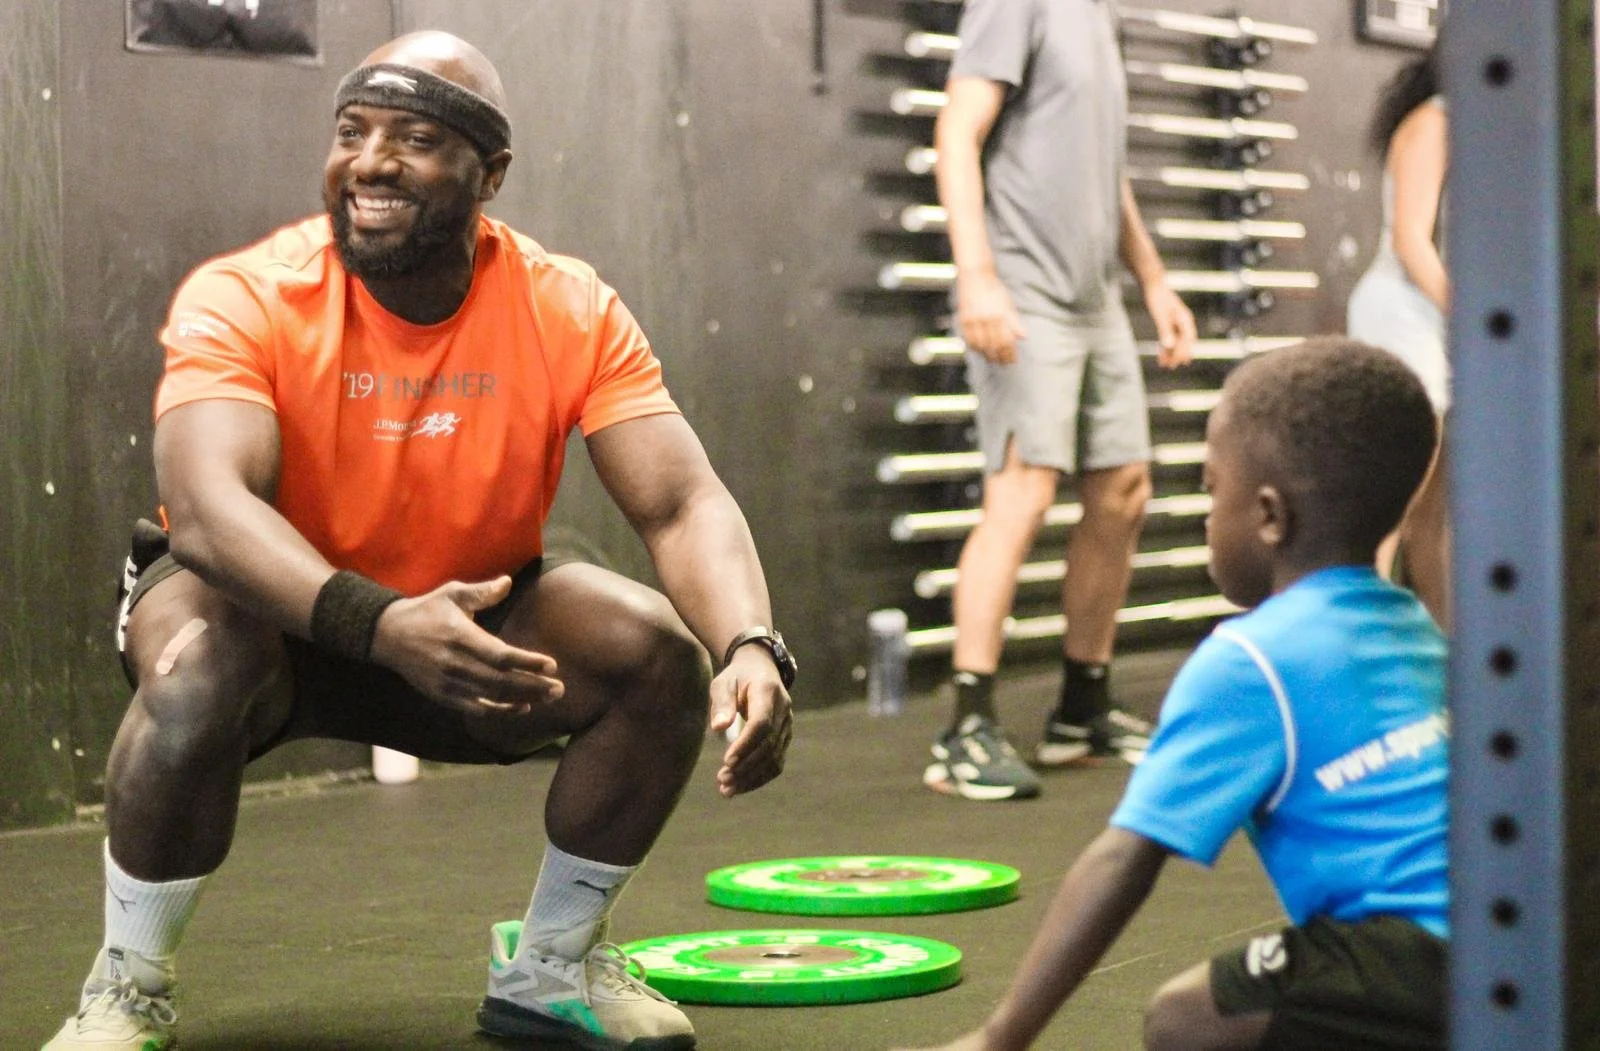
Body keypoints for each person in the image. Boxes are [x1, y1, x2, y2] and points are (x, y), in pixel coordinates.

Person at [44, 31, 795, 1051]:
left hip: (464, 613)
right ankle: (127, 984)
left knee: (654, 650)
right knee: (196, 661)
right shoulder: (251, 294)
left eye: (415, 138)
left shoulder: (564, 306)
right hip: (265, 617)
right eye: (352, 131)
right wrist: (378, 620)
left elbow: (679, 503)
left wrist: (750, 640)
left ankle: (550, 965)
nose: (371, 160)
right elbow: (210, 510)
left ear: (490, 175)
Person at [898, 338, 1448, 1051]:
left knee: (1187, 1016)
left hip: (1417, 963)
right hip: (1524, 939)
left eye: (1211, 487)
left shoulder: (1250, 659)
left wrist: (998, 1037)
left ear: (1270, 516)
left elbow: (1124, 860)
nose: (1205, 510)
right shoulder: (1421, 631)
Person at [925, 0, 1198, 801]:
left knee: (1124, 489)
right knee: (1024, 489)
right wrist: (977, 274)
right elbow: (956, 133)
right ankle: (966, 725)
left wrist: (1151, 278)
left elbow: (1101, 171)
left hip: (1095, 296)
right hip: (1024, 286)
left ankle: (1083, 704)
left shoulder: (1096, 15)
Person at [1347, 47, 1451, 631]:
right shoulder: (1435, 121)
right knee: (1392, 502)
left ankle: (1448, 652)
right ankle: (1359, 648)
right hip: (1402, 316)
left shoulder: (1471, 126)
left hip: (1431, 318)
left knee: (1430, 513)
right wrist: (1477, 319)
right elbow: (1412, 241)